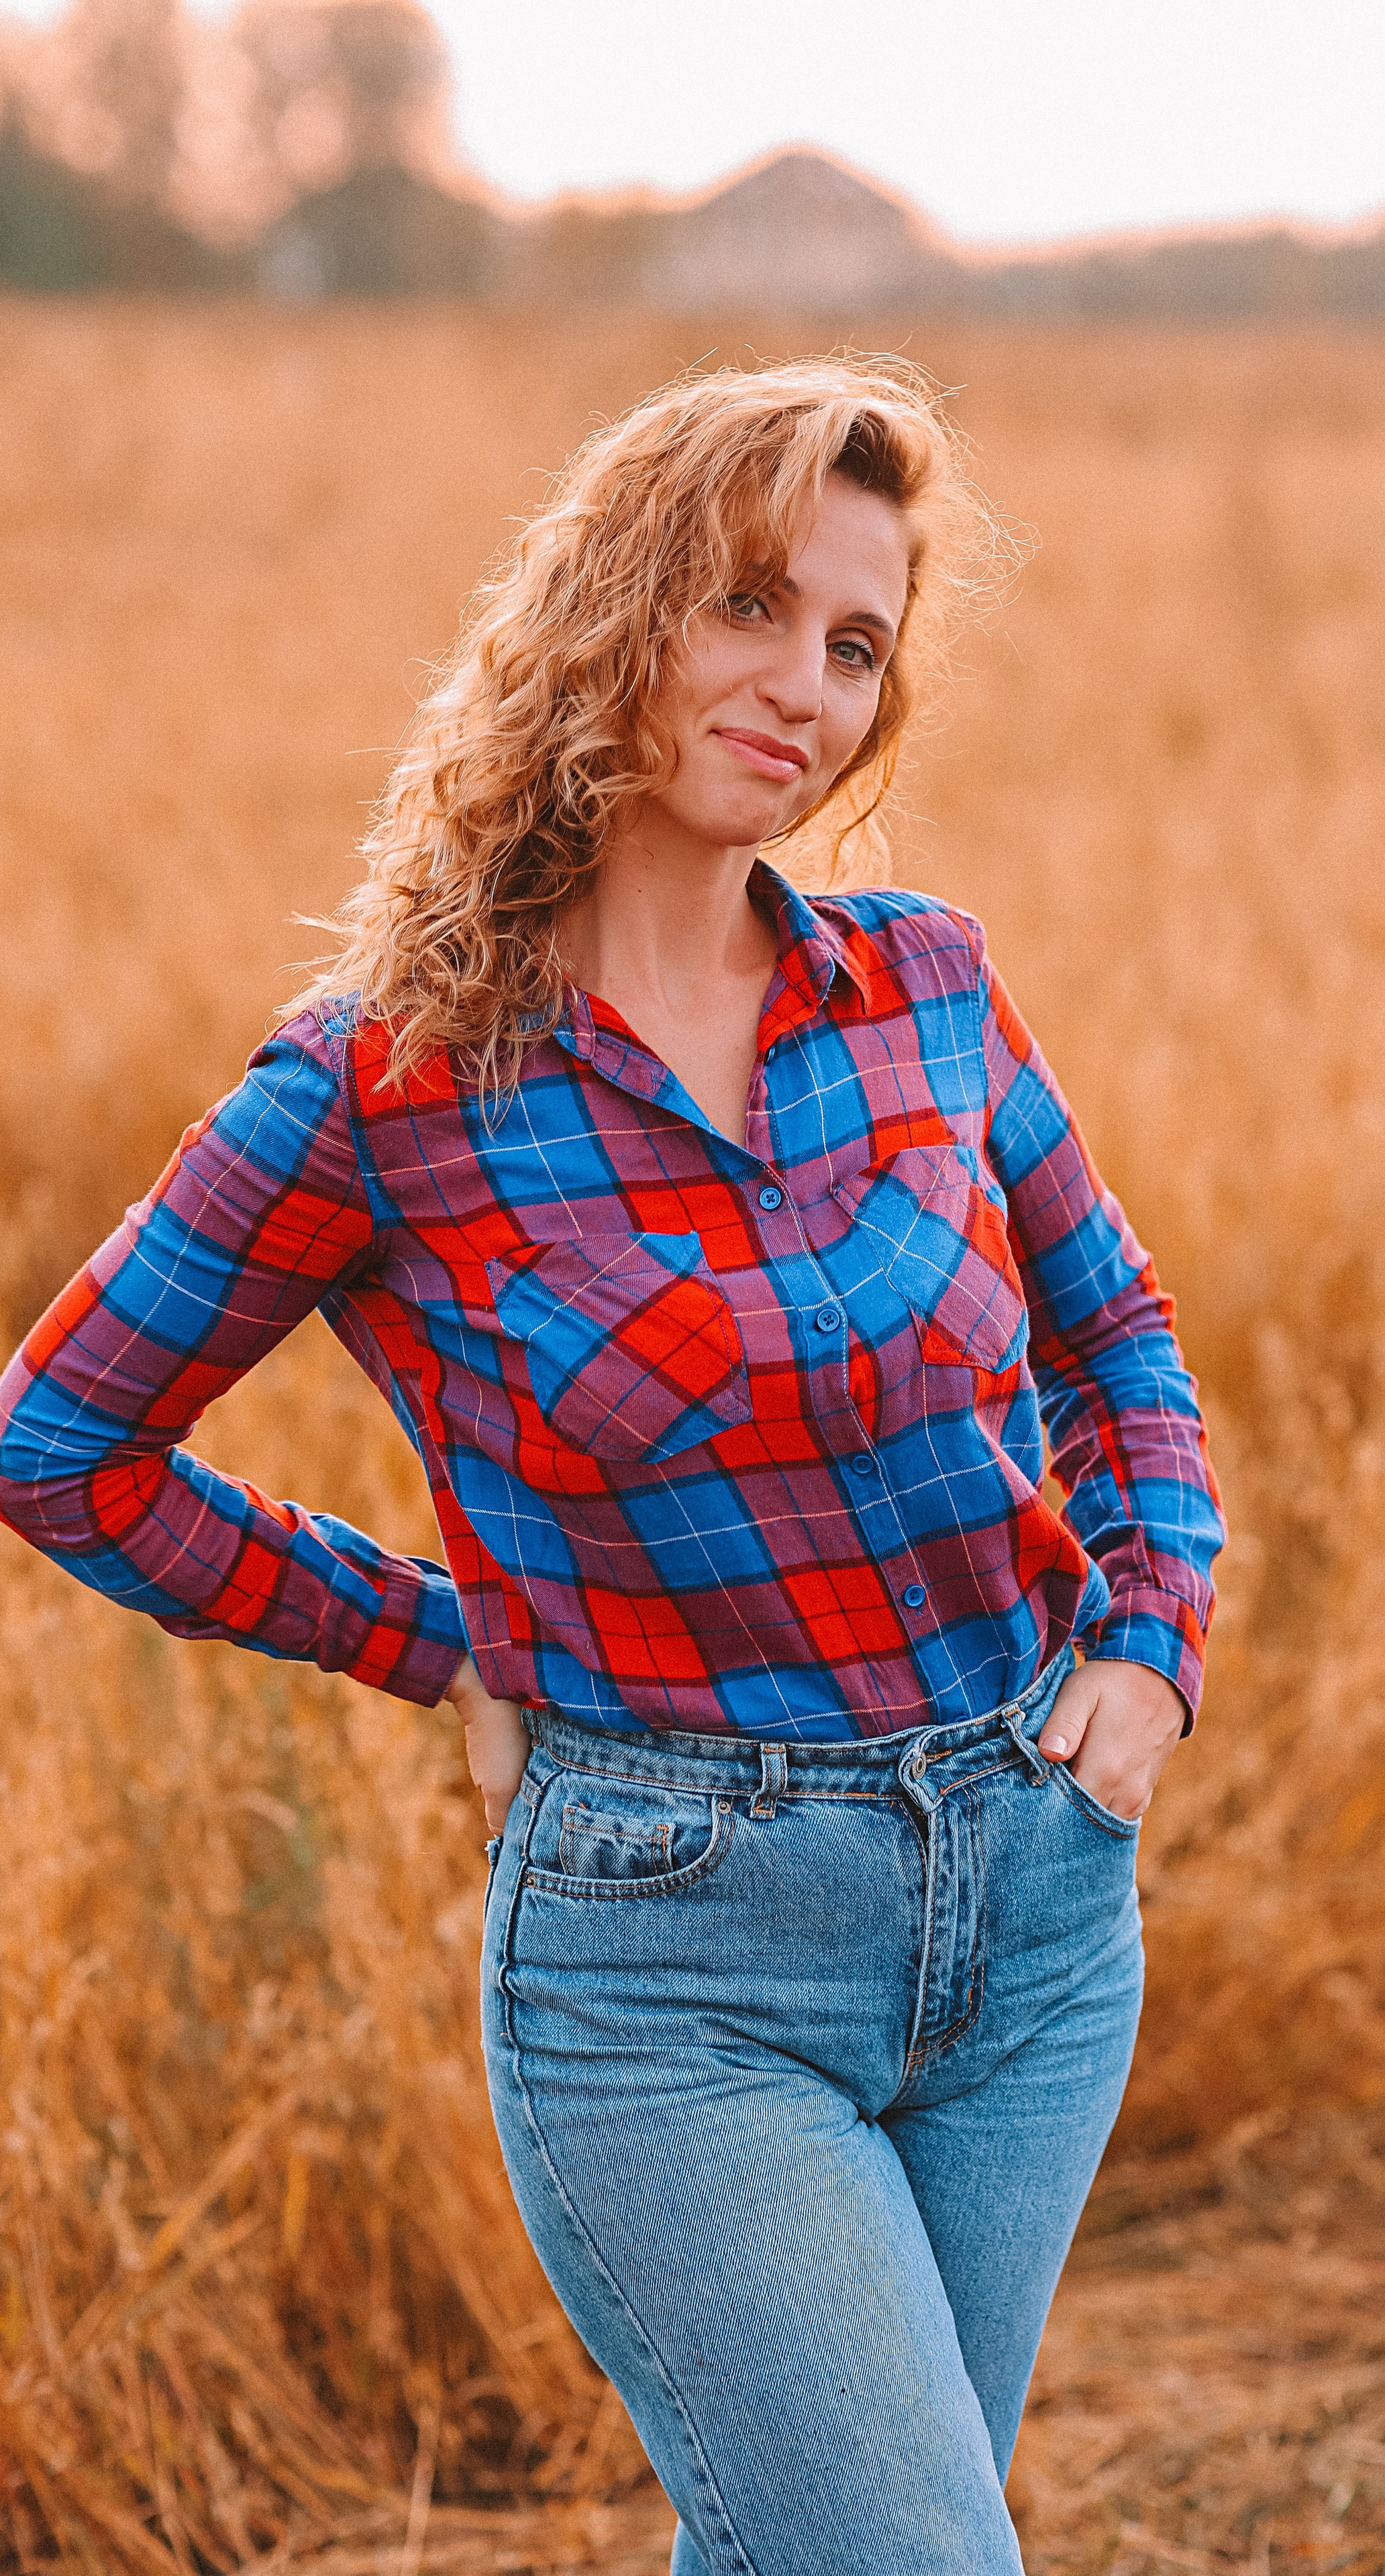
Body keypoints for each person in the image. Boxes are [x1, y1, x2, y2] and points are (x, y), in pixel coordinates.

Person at [0, 357, 1223, 2576]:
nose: (809, 688)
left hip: (1039, 1907)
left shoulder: (928, 990)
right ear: (617, 612)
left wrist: (1144, 1653)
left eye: (859, 644)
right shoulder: (385, 1088)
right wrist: (440, 1639)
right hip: (680, 1957)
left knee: (822, 2541)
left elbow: (1115, 1335)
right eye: (753, 607)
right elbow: (66, 1446)